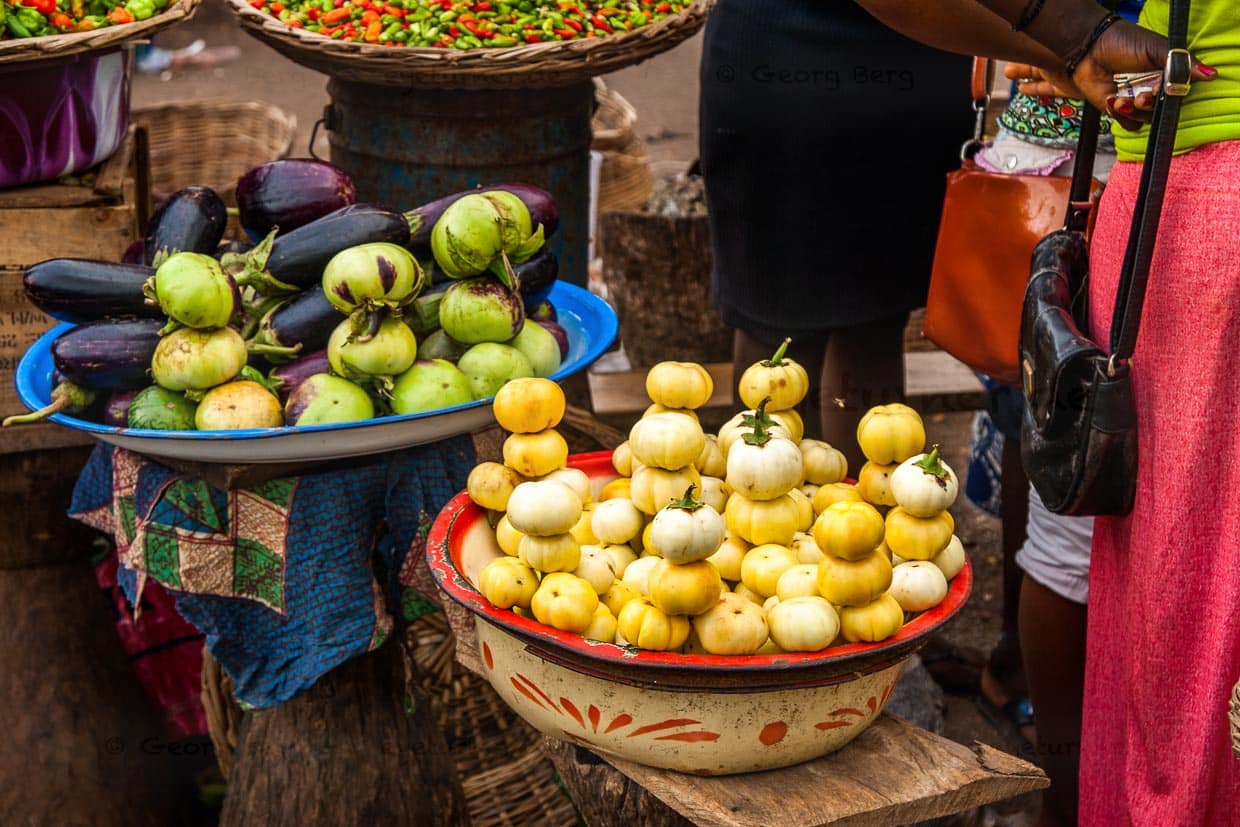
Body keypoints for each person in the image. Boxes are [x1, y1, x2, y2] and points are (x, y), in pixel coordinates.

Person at [852, 1, 1238, 824]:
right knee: (1129, 539)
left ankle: (1073, 783)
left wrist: (1069, 38)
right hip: (1161, 197)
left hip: (1171, 204)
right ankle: (1067, 773)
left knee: (1146, 550)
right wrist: (1071, 37)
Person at [697, 0, 970, 469]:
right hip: (781, 61)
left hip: (917, 62)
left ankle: (865, 504)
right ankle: (761, 500)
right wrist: (1067, 43)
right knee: (772, 316)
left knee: (875, 315)